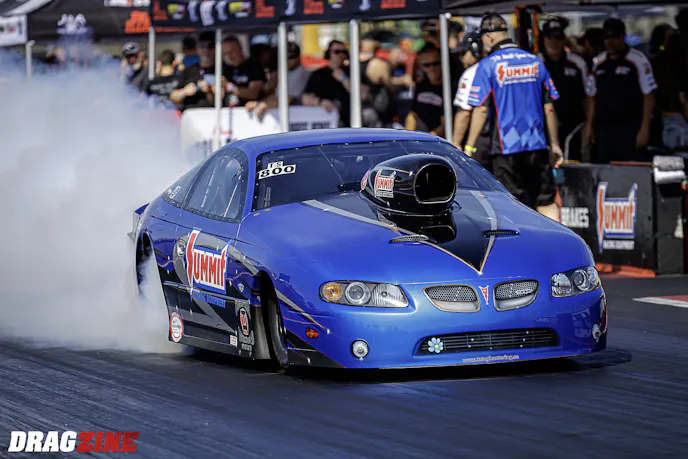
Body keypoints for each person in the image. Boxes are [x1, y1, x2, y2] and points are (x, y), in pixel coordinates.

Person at [464, 13, 563, 222]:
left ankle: (525, 243)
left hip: (505, 148)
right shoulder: (535, 61)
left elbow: (481, 110)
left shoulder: (488, 65)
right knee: (545, 201)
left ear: (489, 36)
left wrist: (469, 147)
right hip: (537, 145)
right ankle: (557, 240)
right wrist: (555, 144)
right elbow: (549, 108)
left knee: (512, 206)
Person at [591, 18, 657, 163]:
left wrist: (644, 129)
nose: (611, 42)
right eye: (607, 37)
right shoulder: (598, 63)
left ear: (623, 36)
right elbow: (592, 96)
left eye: (615, 37)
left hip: (630, 127)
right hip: (605, 128)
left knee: (630, 168)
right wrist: (590, 127)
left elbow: (648, 95)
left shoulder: (638, 60)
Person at [539, 16, 595, 163]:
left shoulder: (578, 62)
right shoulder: (536, 63)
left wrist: (589, 125)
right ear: (544, 39)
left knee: (573, 164)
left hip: (574, 127)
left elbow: (589, 96)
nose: (554, 42)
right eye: (550, 37)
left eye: (558, 37)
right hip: (543, 128)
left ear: (563, 39)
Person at [452, 31, 491, 171]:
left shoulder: (471, 73)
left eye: (464, 52)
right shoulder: (496, 66)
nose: (461, 58)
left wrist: (456, 143)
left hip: (481, 138)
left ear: (475, 50)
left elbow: (464, 113)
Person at [246, 42, 310, 121]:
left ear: (298, 57)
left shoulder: (301, 73)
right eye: (284, 57)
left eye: (291, 57)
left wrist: (263, 105)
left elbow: (288, 99)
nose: (287, 60)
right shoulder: (287, 72)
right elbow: (277, 95)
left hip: (298, 117)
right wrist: (258, 103)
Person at [302, 40, 352, 127]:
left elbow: (363, 94)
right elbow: (305, 98)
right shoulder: (318, 74)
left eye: (344, 52)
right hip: (326, 119)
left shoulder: (352, 71)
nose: (341, 55)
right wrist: (320, 102)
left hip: (349, 116)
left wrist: (344, 79)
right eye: (337, 52)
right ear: (328, 54)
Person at [169, 31, 219, 111]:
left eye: (210, 46)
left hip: (214, 114)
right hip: (191, 113)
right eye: (202, 46)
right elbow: (173, 97)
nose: (206, 50)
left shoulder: (222, 69)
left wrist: (209, 90)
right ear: (197, 48)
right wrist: (184, 92)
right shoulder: (188, 70)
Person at [405, 43, 446, 136]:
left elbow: (445, 124)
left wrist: (427, 139)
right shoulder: (421, 86)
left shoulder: (449, 89)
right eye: (427, 65)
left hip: (437, 140)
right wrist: (408, 137)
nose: (432, 68)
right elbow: (412, 115)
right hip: (421, 136)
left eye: (435, 64)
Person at [221, 35, 266, 107]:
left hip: (249, 110)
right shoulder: (224, 68)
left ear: (240, 49)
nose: (230, 56)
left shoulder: (253, 65)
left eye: (232, 52)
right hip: (228, 110)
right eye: (226, 53)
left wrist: (231, 87)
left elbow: (254, 93)